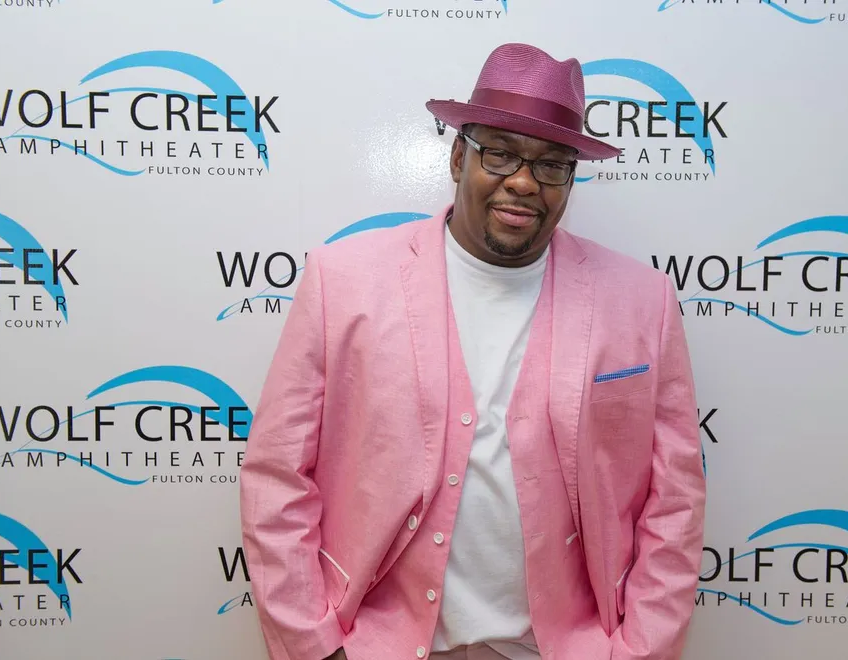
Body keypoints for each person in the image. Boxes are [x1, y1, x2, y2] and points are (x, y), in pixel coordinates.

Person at [239, 42, 706, 660]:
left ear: (570, 177)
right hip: (380, 644)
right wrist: (313, 647)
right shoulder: (342, 280)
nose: (523, 181)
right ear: (459, 155)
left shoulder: (643, 300)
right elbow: (276, 477)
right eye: (501, 153)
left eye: (551, 164)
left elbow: (674, 500)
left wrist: (641, 650)